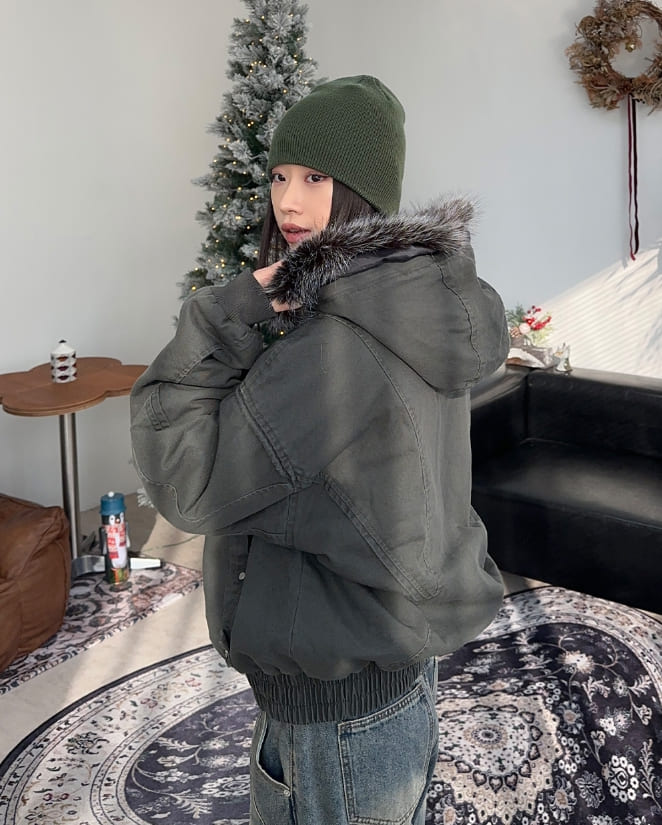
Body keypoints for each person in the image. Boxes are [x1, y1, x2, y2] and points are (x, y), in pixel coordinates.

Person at [130, 75, 509, 825]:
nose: (287, 202)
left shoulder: (337, 346)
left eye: (314, 178)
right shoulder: (413, 299)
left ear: (363, 190)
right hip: (385, 670)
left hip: (337, 709)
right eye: (279, 176)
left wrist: (221, 311)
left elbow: (185, 477)